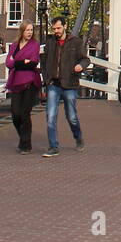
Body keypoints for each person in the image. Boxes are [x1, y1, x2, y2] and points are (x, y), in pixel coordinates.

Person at [41, 16, 89, 157]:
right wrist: (46, 78)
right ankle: (53, 146)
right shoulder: (50, 43)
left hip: (69, 83)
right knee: (50, 115)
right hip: (53, 84)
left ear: (65, 26)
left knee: (71, 116)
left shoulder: (75, 42)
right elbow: (44, 61)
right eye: (54, 28)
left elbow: (85, 59)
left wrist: (81, 66)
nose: (56, 31)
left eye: (58, 28)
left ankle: (78, 137)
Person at [5, 21, 42, 154]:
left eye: (31, 30)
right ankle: (23, 137)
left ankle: (26, 145)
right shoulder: (14, 46)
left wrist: (16, 63)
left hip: (29, 82)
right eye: (27, 30)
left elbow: (33, 62)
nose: (30, 32)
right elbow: (8, 63)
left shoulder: (35, 45)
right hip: (15, 82)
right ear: (22, 31)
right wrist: (21, 62)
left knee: (25, 113)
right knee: (15, 113)